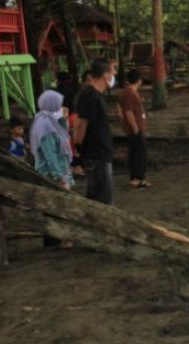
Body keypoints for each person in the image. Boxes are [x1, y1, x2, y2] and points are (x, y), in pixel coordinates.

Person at [30, 90, 74, 249]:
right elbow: (50, 155)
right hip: (52, 172)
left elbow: (63, 135)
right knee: (55, 206)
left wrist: (63, 119)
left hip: (60, 169)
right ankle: (55, 240)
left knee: (57, 206)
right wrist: (59, 176)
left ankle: (56, 239)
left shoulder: (48, 121)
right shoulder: (45, 126)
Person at [74, 58, 116, 205]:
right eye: (113, 71)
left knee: (103, 195)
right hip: (96, 154)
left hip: (102, 151)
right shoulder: (89, 95)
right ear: (106, 75)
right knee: (102, 198)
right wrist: (78, 147)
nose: (115, 74)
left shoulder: (98, 95)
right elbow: (80, 124)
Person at [118, 69, 152, 188]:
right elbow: (128, 112)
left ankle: (135, 177)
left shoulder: (129, 92)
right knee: (140, 153)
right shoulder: (129, 93)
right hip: (135, 129)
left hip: (135, 127)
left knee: (135, 152)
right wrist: (135, 127)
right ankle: (138, 178)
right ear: (139, 80)